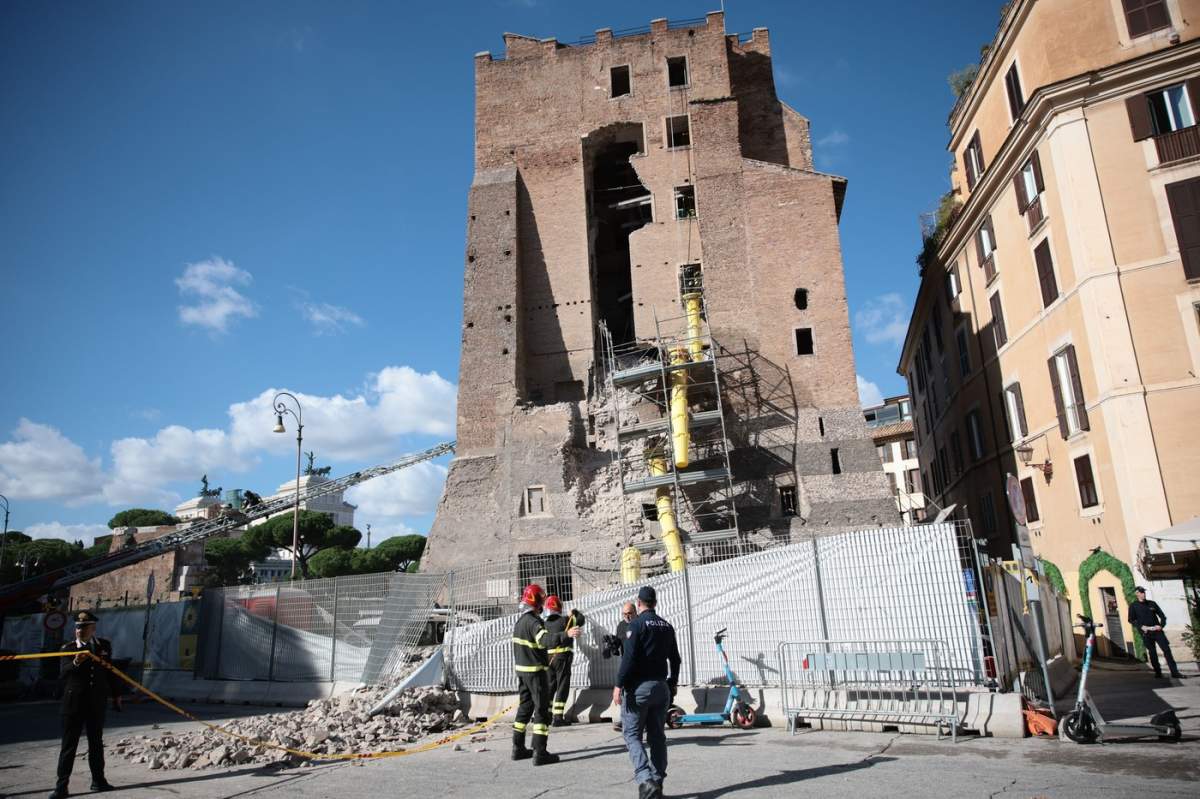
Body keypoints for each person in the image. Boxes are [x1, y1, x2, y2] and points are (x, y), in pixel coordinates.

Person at [614, 586, 681, 799]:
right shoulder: (667, 626)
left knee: (632, 734)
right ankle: (657, 782)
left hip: (638, 689)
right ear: (655, 602)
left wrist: (618, 685)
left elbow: (629, 658)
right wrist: (672, 683)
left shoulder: (636, 625)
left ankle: (645, 779)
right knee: (657, 737)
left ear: (639, 603)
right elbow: (676, 660)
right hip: (661, 688)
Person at [50, 611, 120, 799]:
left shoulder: (102, 646)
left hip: (96, 703)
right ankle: (61, 786)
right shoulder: (69, 647)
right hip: (73, 703)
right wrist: (75, 661)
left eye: (84, 627)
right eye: (78, 627)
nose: (79, 630)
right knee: (69, 746)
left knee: (96, 743)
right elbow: (63, 674)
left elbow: (110, 672)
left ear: (93, 628)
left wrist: (116, 695)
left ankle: (99, 781)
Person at [511, 584, 566, 766]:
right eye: (542, 600)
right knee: (541, 711)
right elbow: (544, 640)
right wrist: (566, 635)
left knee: (524, 709)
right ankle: (540, 752)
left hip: (522, 673)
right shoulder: (534, 622)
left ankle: (518, 748)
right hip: (536, 673)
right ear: (538, 602)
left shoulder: (519, 623)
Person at [543, 596, 583, 726]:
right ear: (559, 607)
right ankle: (558, 717)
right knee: (562, 686)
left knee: (550, 686)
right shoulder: (566, 620)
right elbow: (581, 620)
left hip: (548, 659)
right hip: (562, 658)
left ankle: (547, 715)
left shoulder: (544, 624)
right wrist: (575, 613)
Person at [1127, 586, 1183, 679]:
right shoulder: (1133, 606)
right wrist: (1141, 626)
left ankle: (1175, 672)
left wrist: (1161, 626)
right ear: (1136, 594)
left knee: (1167, 650)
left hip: (1157, 631)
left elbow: (1163, 616)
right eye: (1140, 592)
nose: (1143, 594)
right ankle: (1158, 672)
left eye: (1143, 592)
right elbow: (1131, 620)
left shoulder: (1152, 604)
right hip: (1146, 633)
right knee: (1152, 652)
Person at [611, 601, 637, 731]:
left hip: (639, 663)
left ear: (635, 612)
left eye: (629, 613)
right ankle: (624, 719)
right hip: (625, 662)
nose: (627, 616)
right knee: (624, 692)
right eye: (624, 614)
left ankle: (640, 721)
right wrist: (612, 646)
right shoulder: (621, 626)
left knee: (637, 692)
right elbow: (618, 643)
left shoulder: (639, 624)